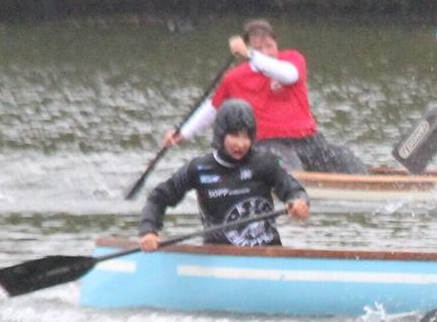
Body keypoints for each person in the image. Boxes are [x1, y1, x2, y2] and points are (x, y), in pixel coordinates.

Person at [166, 19, 365, 173]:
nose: (266, 52)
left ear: (276, 43)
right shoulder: (234, 78)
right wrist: (182, 133)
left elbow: (290, 76)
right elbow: (212, 108)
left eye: (269, 45)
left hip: (308, 140)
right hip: (267, 144)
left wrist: (252, 55)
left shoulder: (292, 60)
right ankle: (293, 190)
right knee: (290, 169)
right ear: (247, 49)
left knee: (345, 157)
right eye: (258, 48)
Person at [141, 100, 309, 250]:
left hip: (267, 256)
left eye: (246, 137)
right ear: (221, 134)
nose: (241, 144)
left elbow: (294, 190)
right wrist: (149, 231)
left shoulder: (265, 163)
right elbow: (158, 198)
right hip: (219, 257)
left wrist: (299, 202)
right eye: (234, 136)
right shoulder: (199, 169)